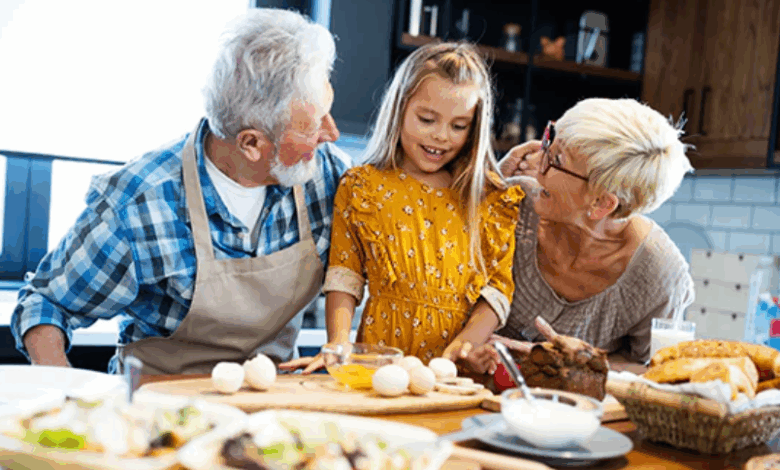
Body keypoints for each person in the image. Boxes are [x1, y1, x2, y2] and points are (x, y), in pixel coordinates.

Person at [11, 8, 350, 375]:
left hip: (271, 409)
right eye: (314, 125)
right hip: (157, 412)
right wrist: (69, 398)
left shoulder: (326, 174)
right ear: (251, 143)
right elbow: (46, 304)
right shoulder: (141, 204)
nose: (331, 133)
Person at [280, 42, 525, 375]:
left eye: (458, 126)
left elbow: (497, 290)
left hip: (452, 374)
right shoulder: (363, 187)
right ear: (400, 109)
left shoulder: (488, 200)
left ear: (475, 127)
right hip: (380, 367)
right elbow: (345, 275)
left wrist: (464, 346)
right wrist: (339, 344)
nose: (441, 136)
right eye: (427, 119)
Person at [493, 97, 695, 371]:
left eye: (557, 159)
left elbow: (656, 372)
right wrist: (486, 188)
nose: (536, 160)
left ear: (601, 203)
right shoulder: (515, 202)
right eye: (549, 143)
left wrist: (580, 365)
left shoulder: (660, 274)